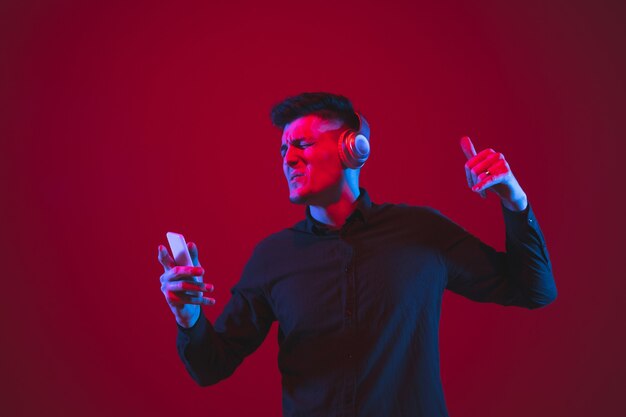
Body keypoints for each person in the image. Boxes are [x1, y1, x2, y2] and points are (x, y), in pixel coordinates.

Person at [158, 92, 557, 417]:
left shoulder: (422, 232)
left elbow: (534, 290)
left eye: (302, 144)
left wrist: (514, 198)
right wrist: (187, 316)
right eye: (283, 149)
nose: (287, 159)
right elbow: (212, 367)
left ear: (354, 148)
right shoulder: (272, 258)